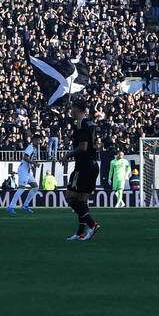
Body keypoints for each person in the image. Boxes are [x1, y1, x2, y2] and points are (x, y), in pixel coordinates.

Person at [63, 100, 100, 240]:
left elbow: (83, 147)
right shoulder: (90, 124)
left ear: (77, 110)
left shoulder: (82, 126)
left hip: (83, 166)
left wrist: (67, 155)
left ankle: (92, 224)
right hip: (92, 165)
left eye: (72, 108)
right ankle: (80, 232)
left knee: (70, 197)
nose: (70, 111)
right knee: (82, 201)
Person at [7, 136, 40, 214]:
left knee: (35, 187)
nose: (39, 142)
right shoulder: (30, 147)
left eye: (40, 140)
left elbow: (29, 159)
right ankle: (10, 206)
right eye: (38, 140)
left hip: (27, 171)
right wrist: (34, 163)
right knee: (21, 188)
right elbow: (25, 157)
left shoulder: (35, 149)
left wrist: (32, 167)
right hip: (23, 171)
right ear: (34, 140)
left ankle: (25, 205)